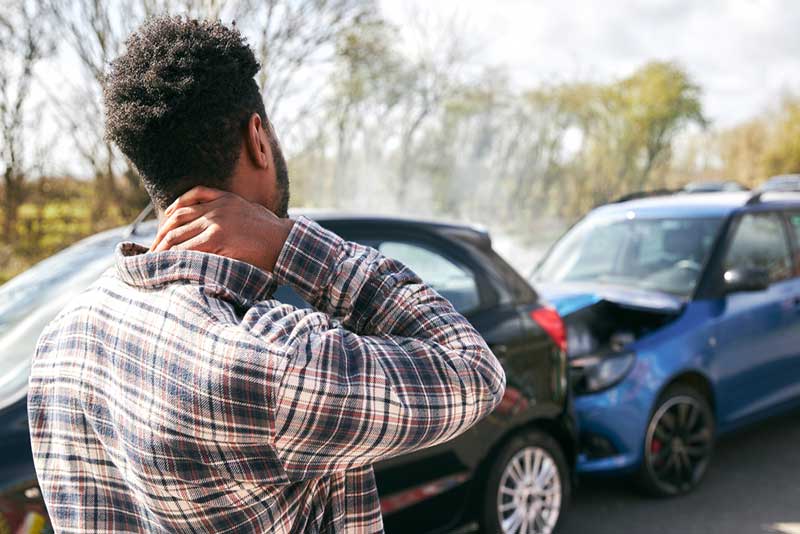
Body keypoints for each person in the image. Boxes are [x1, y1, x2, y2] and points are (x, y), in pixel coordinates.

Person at [27, 16, 505, 533]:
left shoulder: (61, 342)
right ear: (258, 136)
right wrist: (289, 243)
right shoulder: (272, 361)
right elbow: (473, 370)